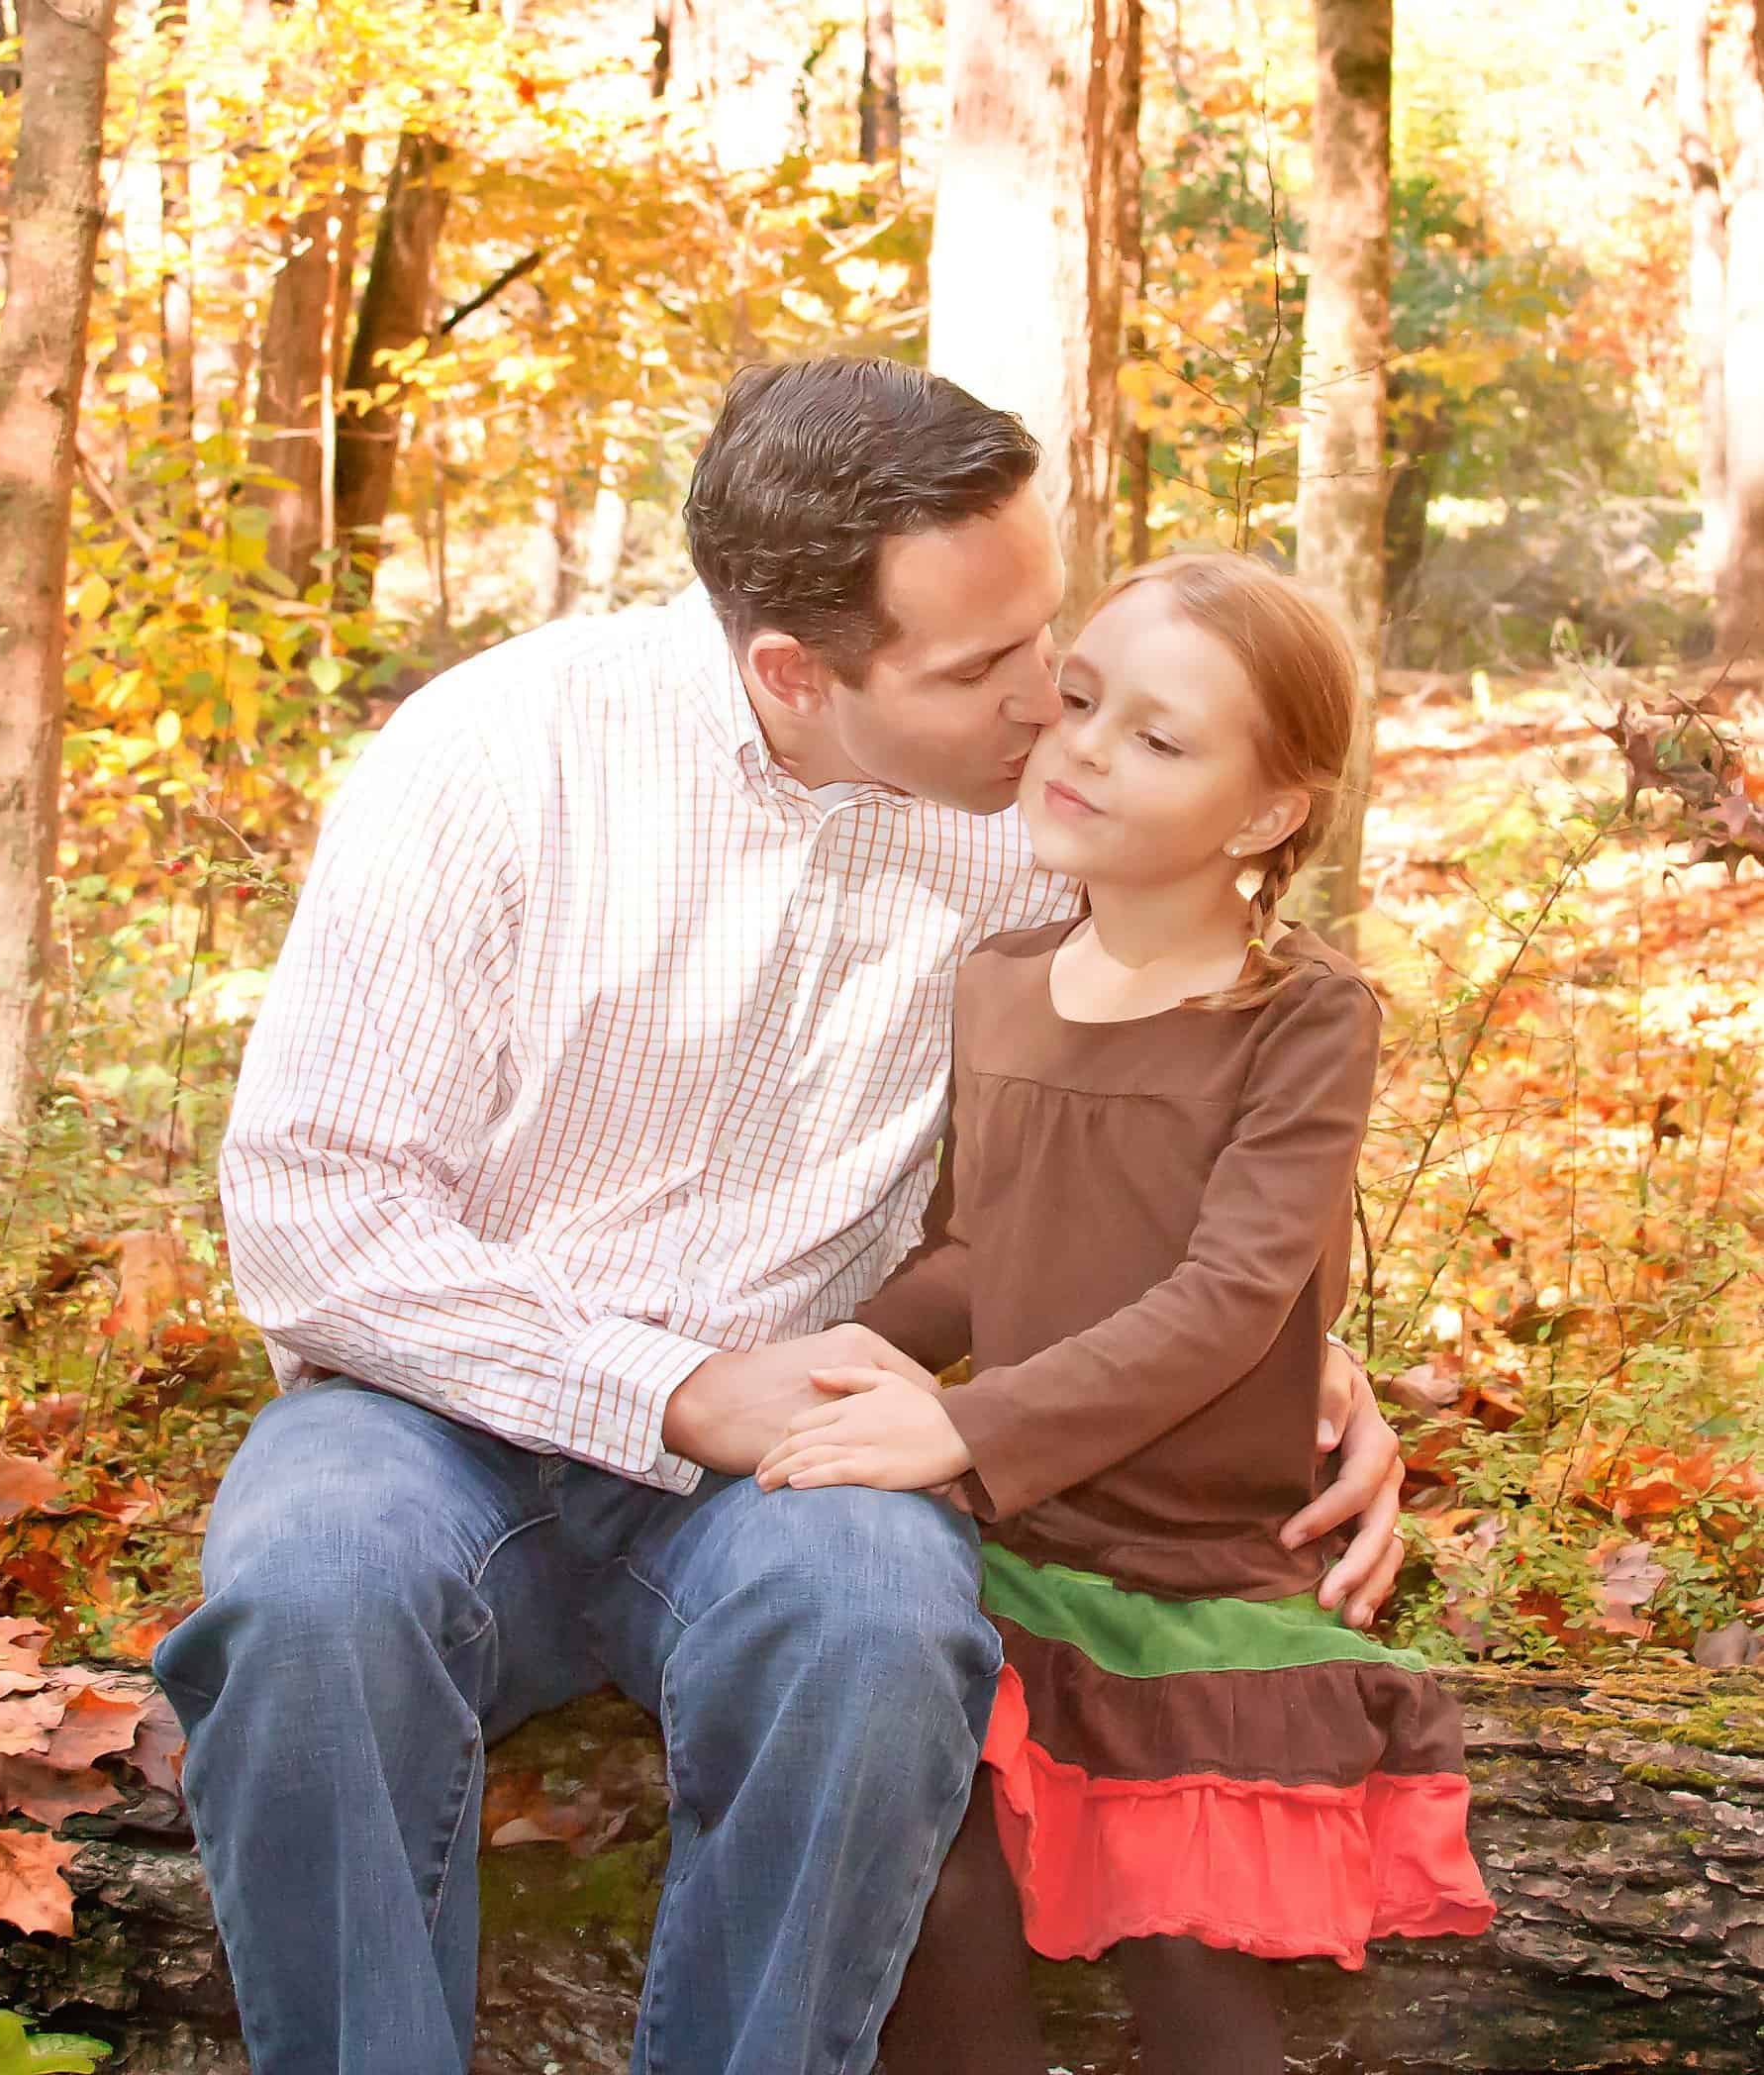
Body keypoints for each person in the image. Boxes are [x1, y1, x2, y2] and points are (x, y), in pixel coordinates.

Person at [153, 361, 1409, 2075]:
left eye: (1043, 630)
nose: (1046, 701)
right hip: (423, 1410)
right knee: (309, 1599)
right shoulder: (494, 758)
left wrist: (1293, 1364)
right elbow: (314, 1203)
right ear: (793, 674)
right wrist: (668, 1390)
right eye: (978, 667)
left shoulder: (1042, 816)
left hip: (806, 1433)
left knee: (880, 1634)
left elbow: (1180, 1118)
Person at [758, 551, 1495, 2075]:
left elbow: (1230, 1300)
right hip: (1012, 1549)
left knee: (1190, 1952)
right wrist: (832, 1359)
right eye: (1081, 699)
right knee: (939, 1895)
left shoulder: (1299, 1016)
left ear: (1266, 812)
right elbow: (979, 1252)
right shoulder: (1001, 979)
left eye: (1156, 738)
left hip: (1195, 1567)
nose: (1084, 748)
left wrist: (963, 1426)